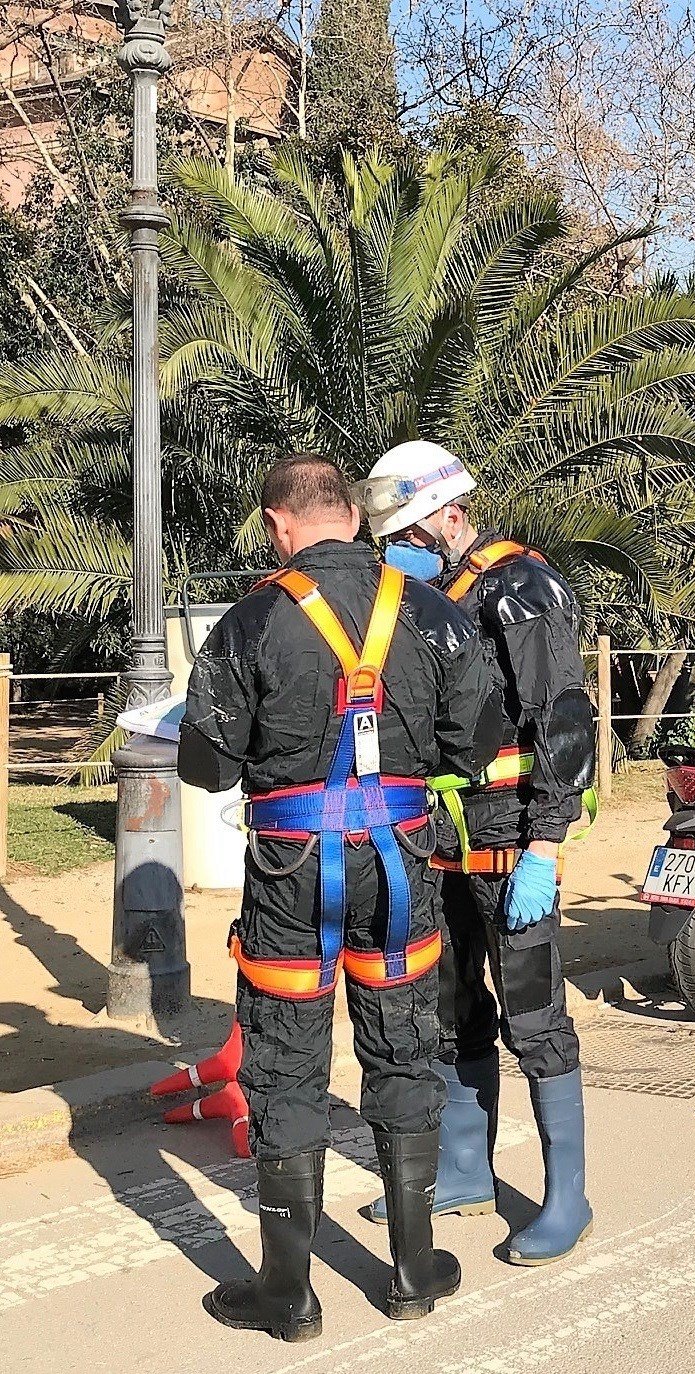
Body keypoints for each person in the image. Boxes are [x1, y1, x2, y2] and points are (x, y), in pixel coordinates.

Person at [179, 454, 502, 1341]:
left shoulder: (250, 621)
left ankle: (289, 1295)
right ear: (355, 519)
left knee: (286, 1062)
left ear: (281, 525)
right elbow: (475, 746)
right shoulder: (433, 613)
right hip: (402, 862)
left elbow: (207, 764)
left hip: (291, 871)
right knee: (402, 1043)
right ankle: (412, 1272)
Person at [357, 440, 596, 1266]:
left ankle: (569, 1193)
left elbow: (562, 719)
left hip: (512, 840)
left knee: (535, 1019)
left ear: (448, 513)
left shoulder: (521, 587)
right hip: (441, 842)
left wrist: (546, 846)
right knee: (453, 1010)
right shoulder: (430, 597)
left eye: (409, 532)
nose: (401, 548)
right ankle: (465, 1168)